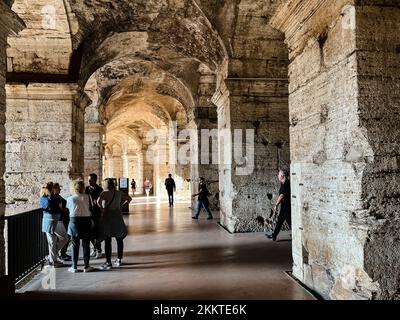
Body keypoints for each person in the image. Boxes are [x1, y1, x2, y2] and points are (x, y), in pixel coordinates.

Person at [97, 178, 132, 270]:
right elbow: (129, 199)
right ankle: (119, 259)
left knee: (107, 239)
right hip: (117, 215)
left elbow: (98, 202)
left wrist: (102, 209)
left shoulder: (104, 193)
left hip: (108, 216)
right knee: (119, 238)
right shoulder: (119, 193)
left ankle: (108, 261)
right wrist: (121, 206)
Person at [66, 180, 95, 273]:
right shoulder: (88, 197)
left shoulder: (70, 198)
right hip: (86, 220)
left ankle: (74, 267)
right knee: (86, 245)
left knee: (75, 244)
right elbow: (91, 208)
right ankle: (86, 266)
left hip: (74, 221)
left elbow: (69, 209)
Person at [39, 182, 68, 267]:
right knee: (58, 240)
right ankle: (53, 259)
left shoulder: (43, 198)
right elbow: (59, 207)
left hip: (48, 220)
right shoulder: (54, 198)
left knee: (52, 241)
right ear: (52, 189)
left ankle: (52, 258)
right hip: (54, 220)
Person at [266, 170, 291, 241]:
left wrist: (276, 205)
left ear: (282, 176)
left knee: (289, 221)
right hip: (284, 206)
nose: (278, 176)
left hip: (286, 206)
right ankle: (274, 235)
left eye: (279, 175)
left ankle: (298, 235)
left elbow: (281, 196)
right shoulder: (283, 183)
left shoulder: (286, 184)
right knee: (280, 221)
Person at [85, 173, 104, 259]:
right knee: (90, 232)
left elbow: (102, 201)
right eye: (88, 179)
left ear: (95, 180)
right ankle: (94, 248)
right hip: (89, 213)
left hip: (97, 213)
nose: (88, 181)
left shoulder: (100, 189)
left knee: (97, 232)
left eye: (90, 180)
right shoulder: (86, 189)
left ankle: (99, 250)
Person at [52, 183, 71, 262]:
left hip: (64, 218)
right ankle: (59, 253)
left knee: (66, 237)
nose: (60, 189)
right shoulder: (54, 197)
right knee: (65, 237)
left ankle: (62, 253)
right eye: (58, 188)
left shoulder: (58, 196)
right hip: (61, 219)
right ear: (54, 189)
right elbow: (60, 208)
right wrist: (66, 210)